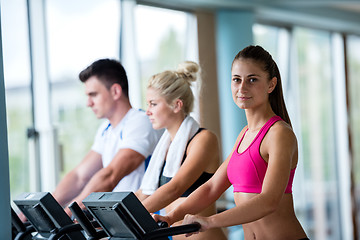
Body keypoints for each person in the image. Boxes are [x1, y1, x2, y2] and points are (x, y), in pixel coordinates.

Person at [154, 46, 309, 240]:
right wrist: (170, 217)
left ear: (271, 85)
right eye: (237, 79)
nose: (242, 88)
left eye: (252, 80)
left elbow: (269, 201)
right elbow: (211, 189)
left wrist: (210, 221)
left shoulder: (279, 134)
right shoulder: (244, 135)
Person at [51, 59, 162, 213]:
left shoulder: (141, 121)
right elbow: (79, 176)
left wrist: (72, 210)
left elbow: (110, 175)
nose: (88, 103)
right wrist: (47, 209)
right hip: (121, 219)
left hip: (144, 219)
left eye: (93, 95)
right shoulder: (106, 129)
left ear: (115, 91)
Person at [135, 61, 227, 240]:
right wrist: (105, 216)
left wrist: (127, 217)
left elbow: (175, 187)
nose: (147, 112)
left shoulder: (203, 139)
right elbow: (142, 193)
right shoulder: (164, 149)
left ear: (177, 105)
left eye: (153, 104)